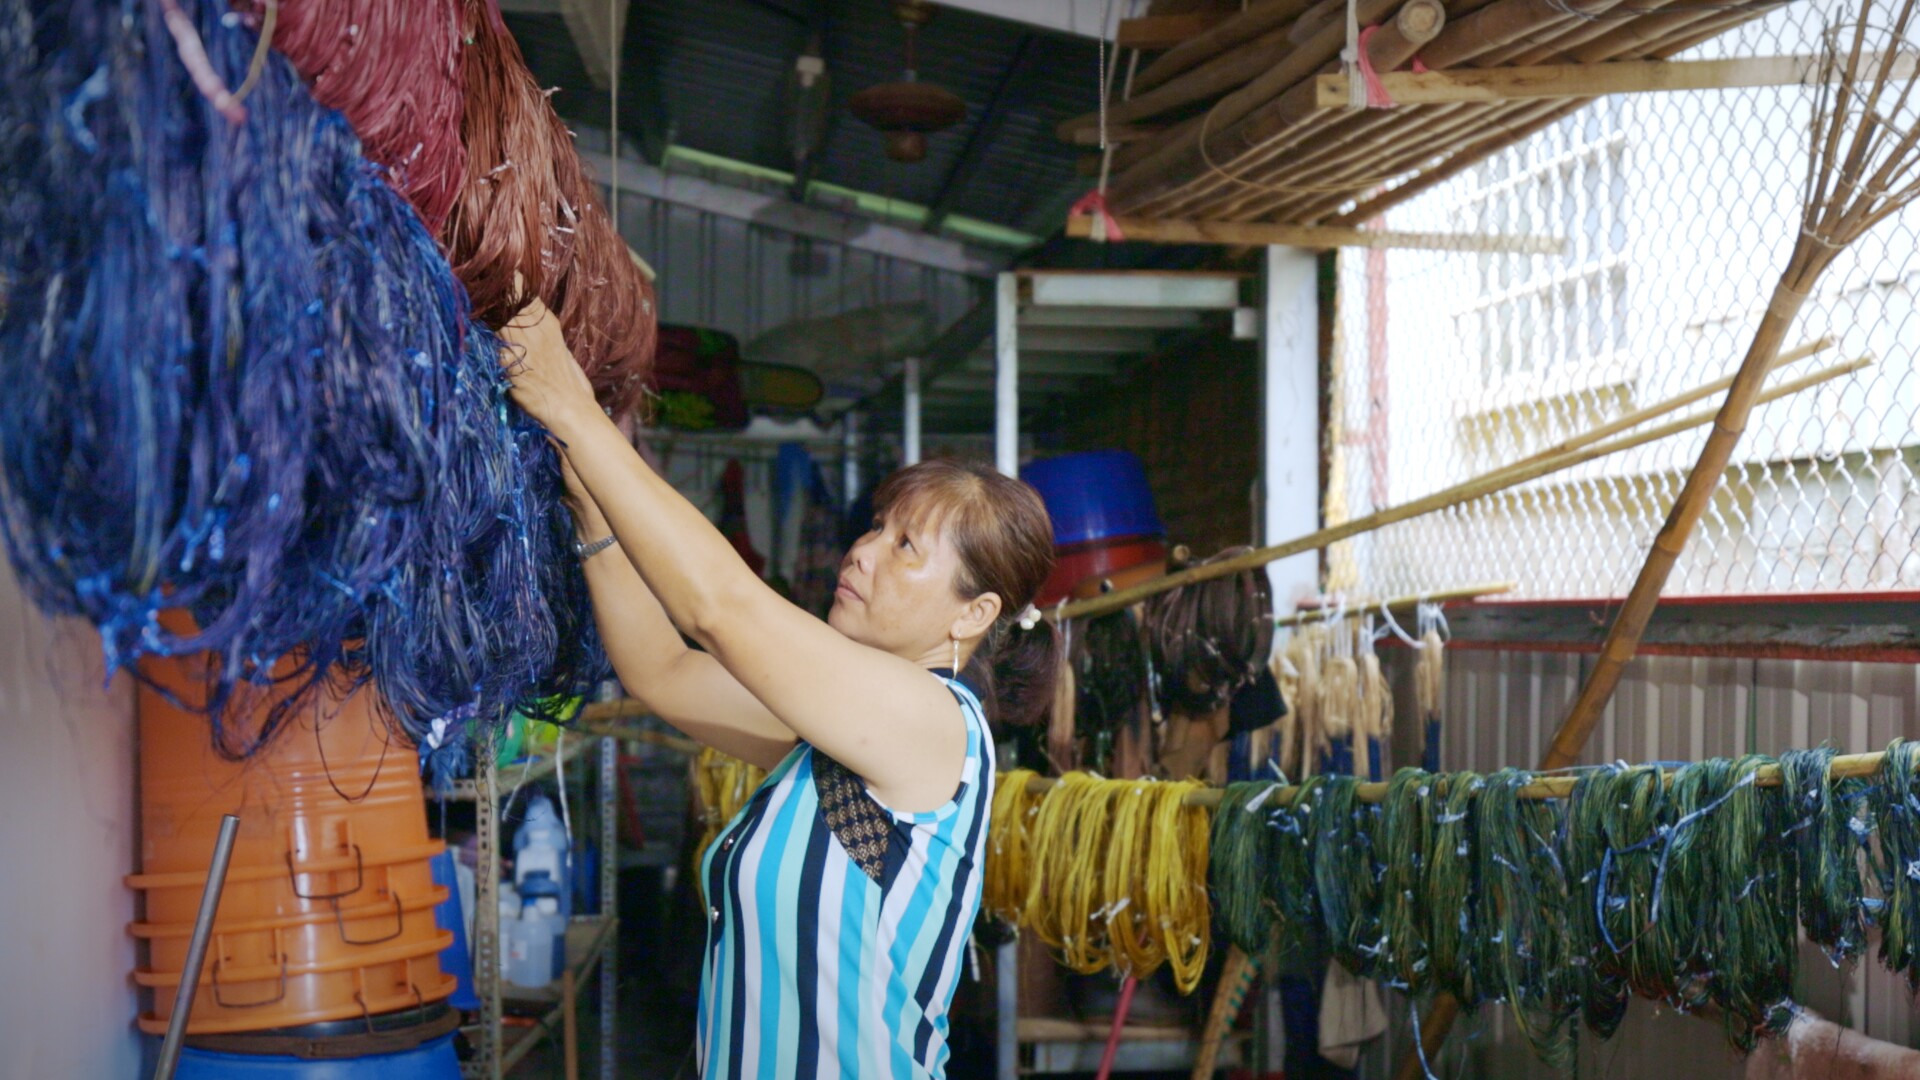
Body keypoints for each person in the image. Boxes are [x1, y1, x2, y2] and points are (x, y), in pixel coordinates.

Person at [500, 301, 1059, 1079]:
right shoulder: (829, 734)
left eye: (905, 547)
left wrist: (572, 407)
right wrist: (592, 509)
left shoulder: (934, 724)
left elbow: (721, 610)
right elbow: (661, 668)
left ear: (975, 613)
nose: (863, 552)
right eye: (876, 527)